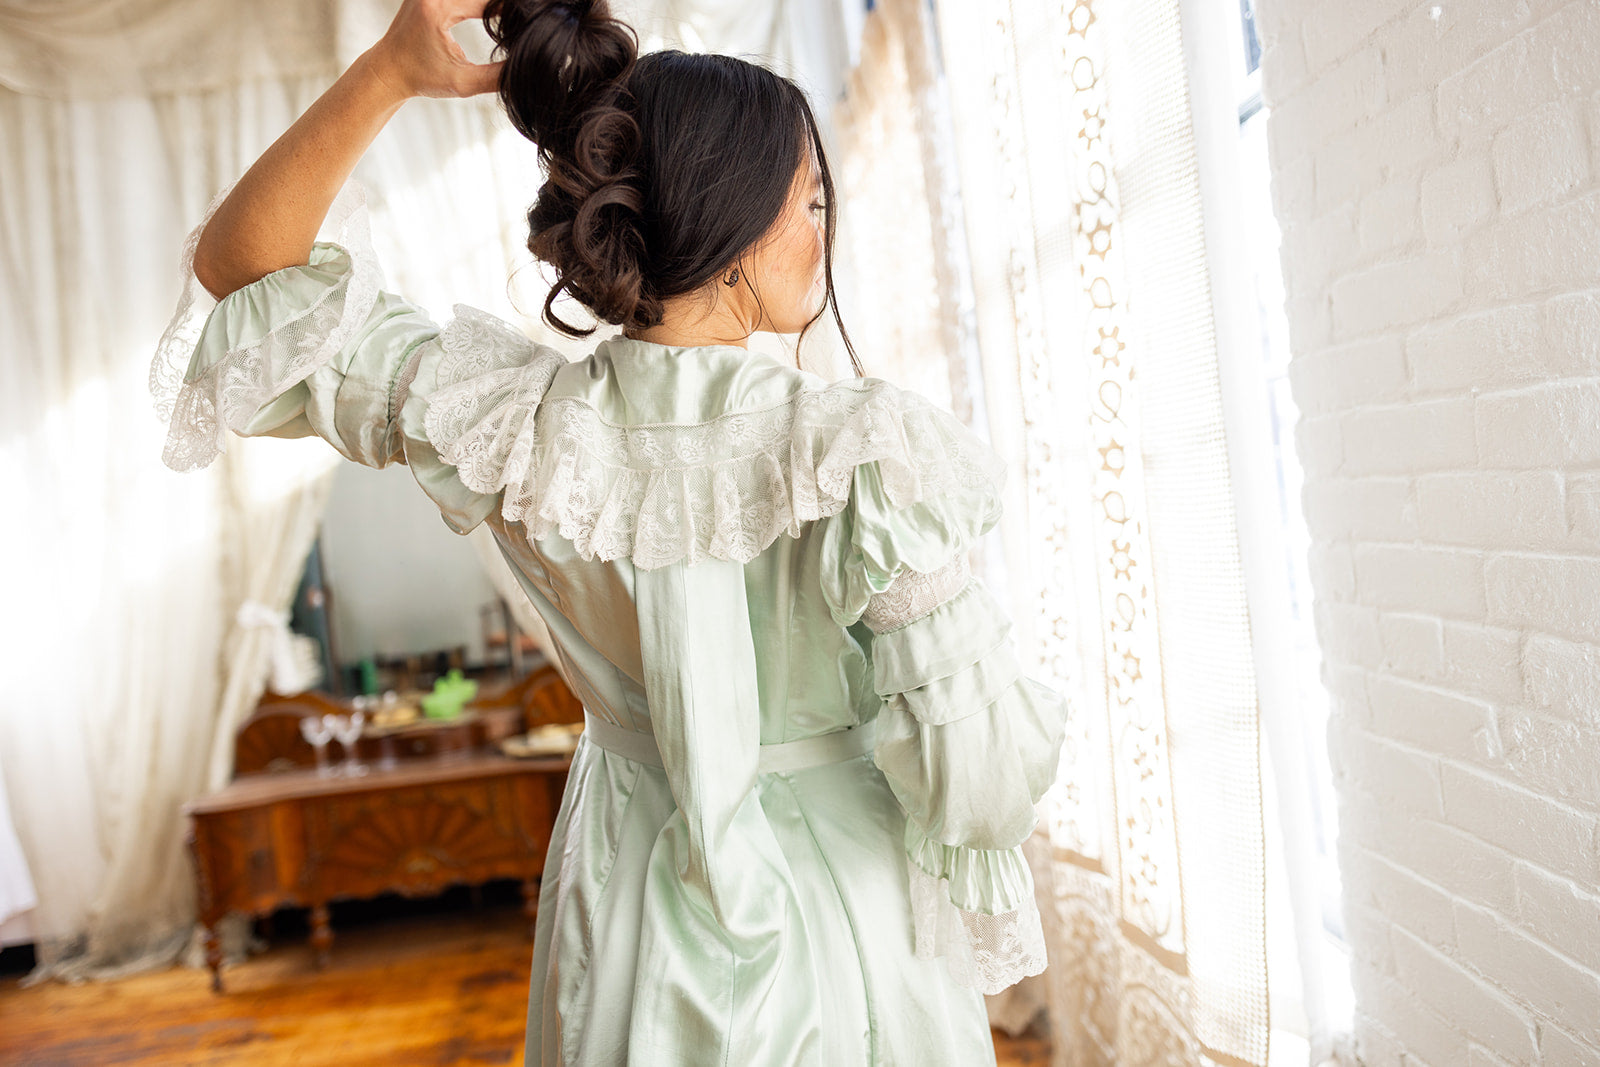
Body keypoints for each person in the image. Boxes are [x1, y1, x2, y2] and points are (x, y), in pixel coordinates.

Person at [151, 0, 1070, 1062]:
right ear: (735, 222)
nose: (827, 231)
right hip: (845, 917)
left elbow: (246, 273)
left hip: (626, 889)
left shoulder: (512, 424)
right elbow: (979, 769)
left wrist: (388, 73)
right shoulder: (863, 451)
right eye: (812, 201)